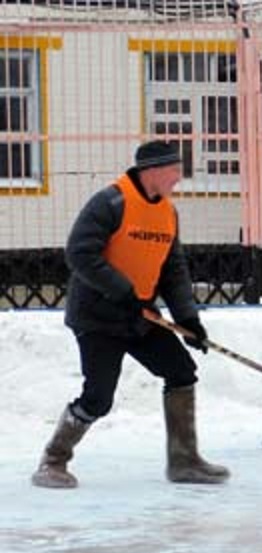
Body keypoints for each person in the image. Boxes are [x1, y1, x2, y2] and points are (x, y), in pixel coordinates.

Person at [31, 140, 229, 489]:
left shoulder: (168, 212)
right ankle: (53, 460)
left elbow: (173, 269)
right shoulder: (111, 202)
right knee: (98, 397)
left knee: (181, 372)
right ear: (151, 170)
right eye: (174, 170)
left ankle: (184, 461)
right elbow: (79, 253)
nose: (179, 178)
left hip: (140, 316)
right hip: (97, 318)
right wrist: (121, 290)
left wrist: (187, 319)